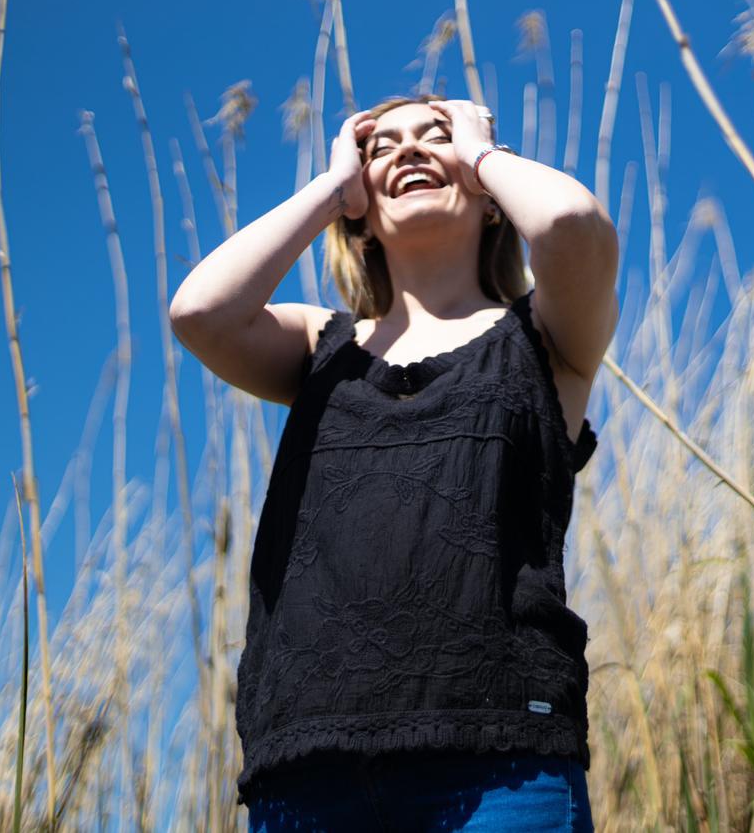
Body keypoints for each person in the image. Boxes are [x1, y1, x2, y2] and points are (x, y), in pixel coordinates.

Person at [169, 93, 619, 831]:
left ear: (492, 197)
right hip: (308, 764)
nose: (409, 151)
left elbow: (573, 225)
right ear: (360, 209)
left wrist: (479, 153)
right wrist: (330, 190)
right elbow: (199, 311)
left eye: (434, 136)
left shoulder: (545, 339)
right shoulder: (322, 345)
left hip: (501, 761)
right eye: (383, 147)